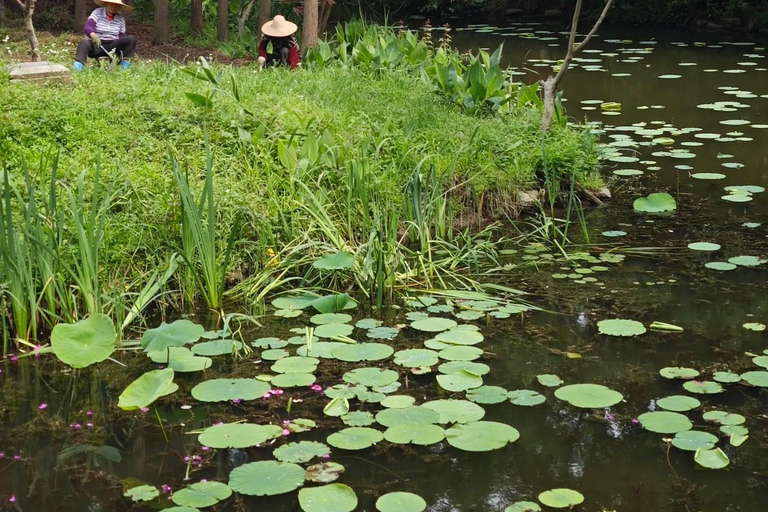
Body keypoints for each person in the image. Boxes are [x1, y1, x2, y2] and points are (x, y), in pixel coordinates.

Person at [73, 0, 136, 71]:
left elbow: (122, 36)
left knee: (131, 39)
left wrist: (120, 45)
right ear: (107, 4)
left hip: (112, 46)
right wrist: (93, 35)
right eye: (111, 4)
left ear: (119, 7)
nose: (113, 7)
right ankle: (78, 67)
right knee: (83, 44)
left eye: (116, 5)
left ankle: (125, 67)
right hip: (97, 44)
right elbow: (88, 26)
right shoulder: (97, 13)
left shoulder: (120, 19)